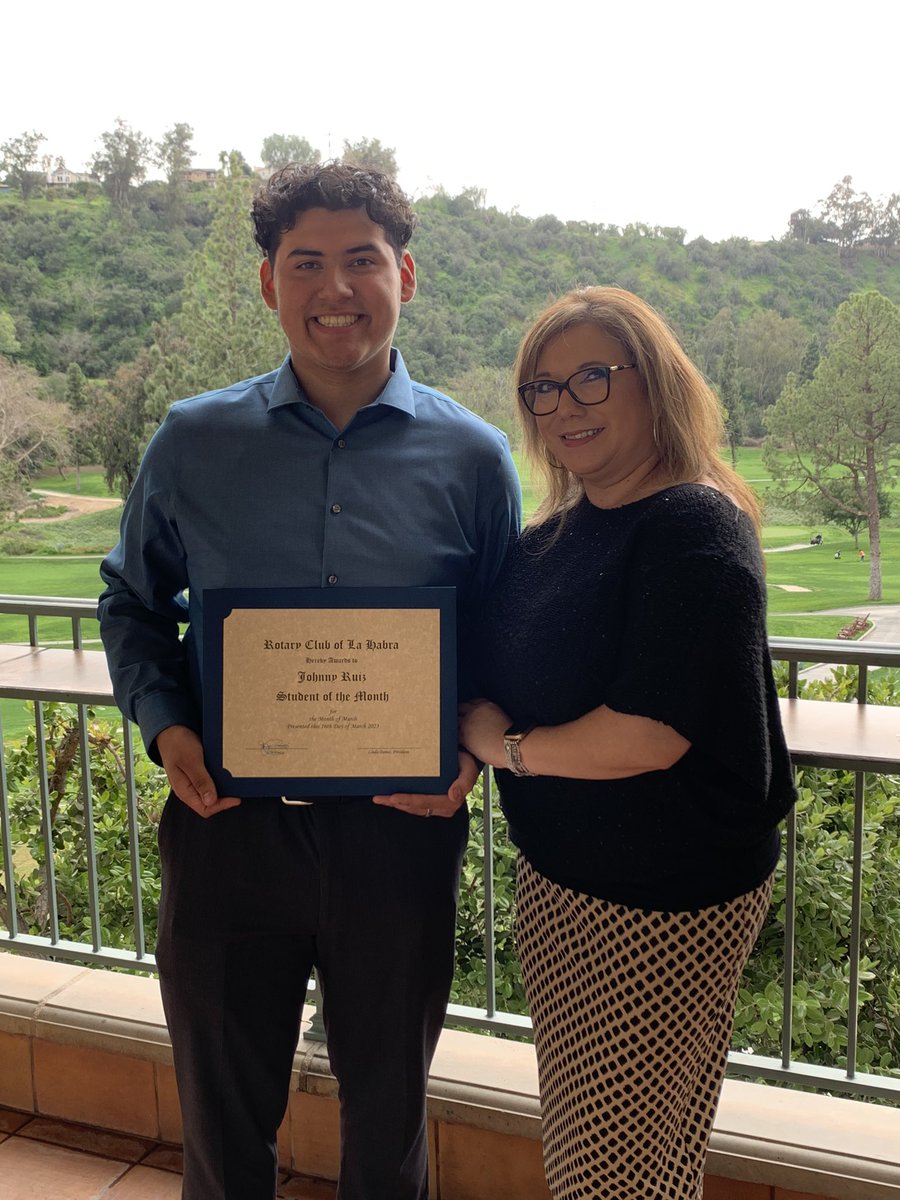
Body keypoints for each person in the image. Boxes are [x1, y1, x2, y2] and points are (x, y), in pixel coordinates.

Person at [98, 162, 521, 1200]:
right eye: (308, 264)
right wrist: (165, 728)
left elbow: (508, 638)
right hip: (229, 825)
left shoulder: (473, 456)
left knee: (389, 1129)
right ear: (268, 284)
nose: (338, 288)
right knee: (224, 1131)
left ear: (406, 275)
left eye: (362, 260)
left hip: (399, 835)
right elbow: (131, 602)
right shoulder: (193, 440)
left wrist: (467, 749)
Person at [459, 286, 796, 1200]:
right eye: (543, 389)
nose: (566, 406)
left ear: (656, 384)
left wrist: (506, 747)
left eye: (593, 379)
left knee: (618, 1164)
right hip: (565, 886)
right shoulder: (562, 530)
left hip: (661, 906)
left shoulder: (693, 526)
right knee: (606, 1142)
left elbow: (647, 735)